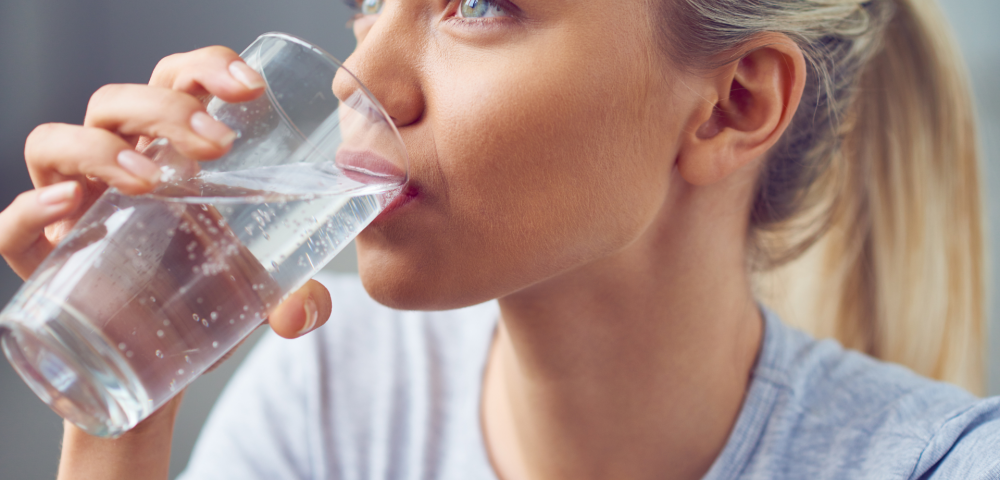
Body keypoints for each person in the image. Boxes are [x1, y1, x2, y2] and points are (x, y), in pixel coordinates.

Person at [1, 0, 997, 478]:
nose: (358, 82)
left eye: (476, 5)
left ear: (732, 106)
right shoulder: (336, 397)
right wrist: (122, 406)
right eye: (369, 7)